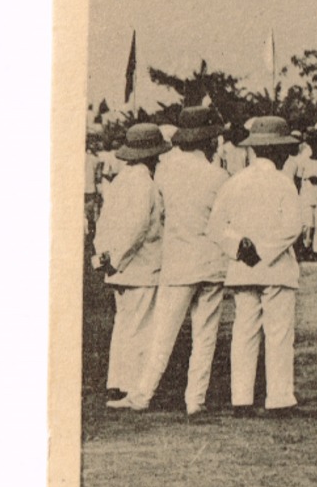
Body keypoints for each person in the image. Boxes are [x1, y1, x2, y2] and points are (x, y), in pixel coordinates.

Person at [110, 107, 229, 413]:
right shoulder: (219, 176)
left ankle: (142, 395)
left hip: (177, 263)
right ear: (208, 141)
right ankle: (195, 400)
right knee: (205, 336)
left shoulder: (165, 173)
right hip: (213, 262)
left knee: (162, 335)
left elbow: (159, 217)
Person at [206, 116, 304, 415]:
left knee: (245, 332)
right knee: (278, 333)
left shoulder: (234, 182)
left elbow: (214, 227)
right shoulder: (284, 183)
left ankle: (242, 399)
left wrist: (240, 248)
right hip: (275, 269)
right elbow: (293, 227)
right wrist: (264, 251)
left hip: (243, 269)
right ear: (278, 151)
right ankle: (278, 398)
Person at [92, 123, 168, 401]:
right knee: (140, 327)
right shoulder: (145, 183)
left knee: (124, 324)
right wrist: (119, 259)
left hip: (118, 267)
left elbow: (104, 224)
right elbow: (137, 227)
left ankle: (117, 381)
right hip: (140, 266)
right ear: (150, 155)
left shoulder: (121, 181)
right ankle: (131, 386)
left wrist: (105, 258)